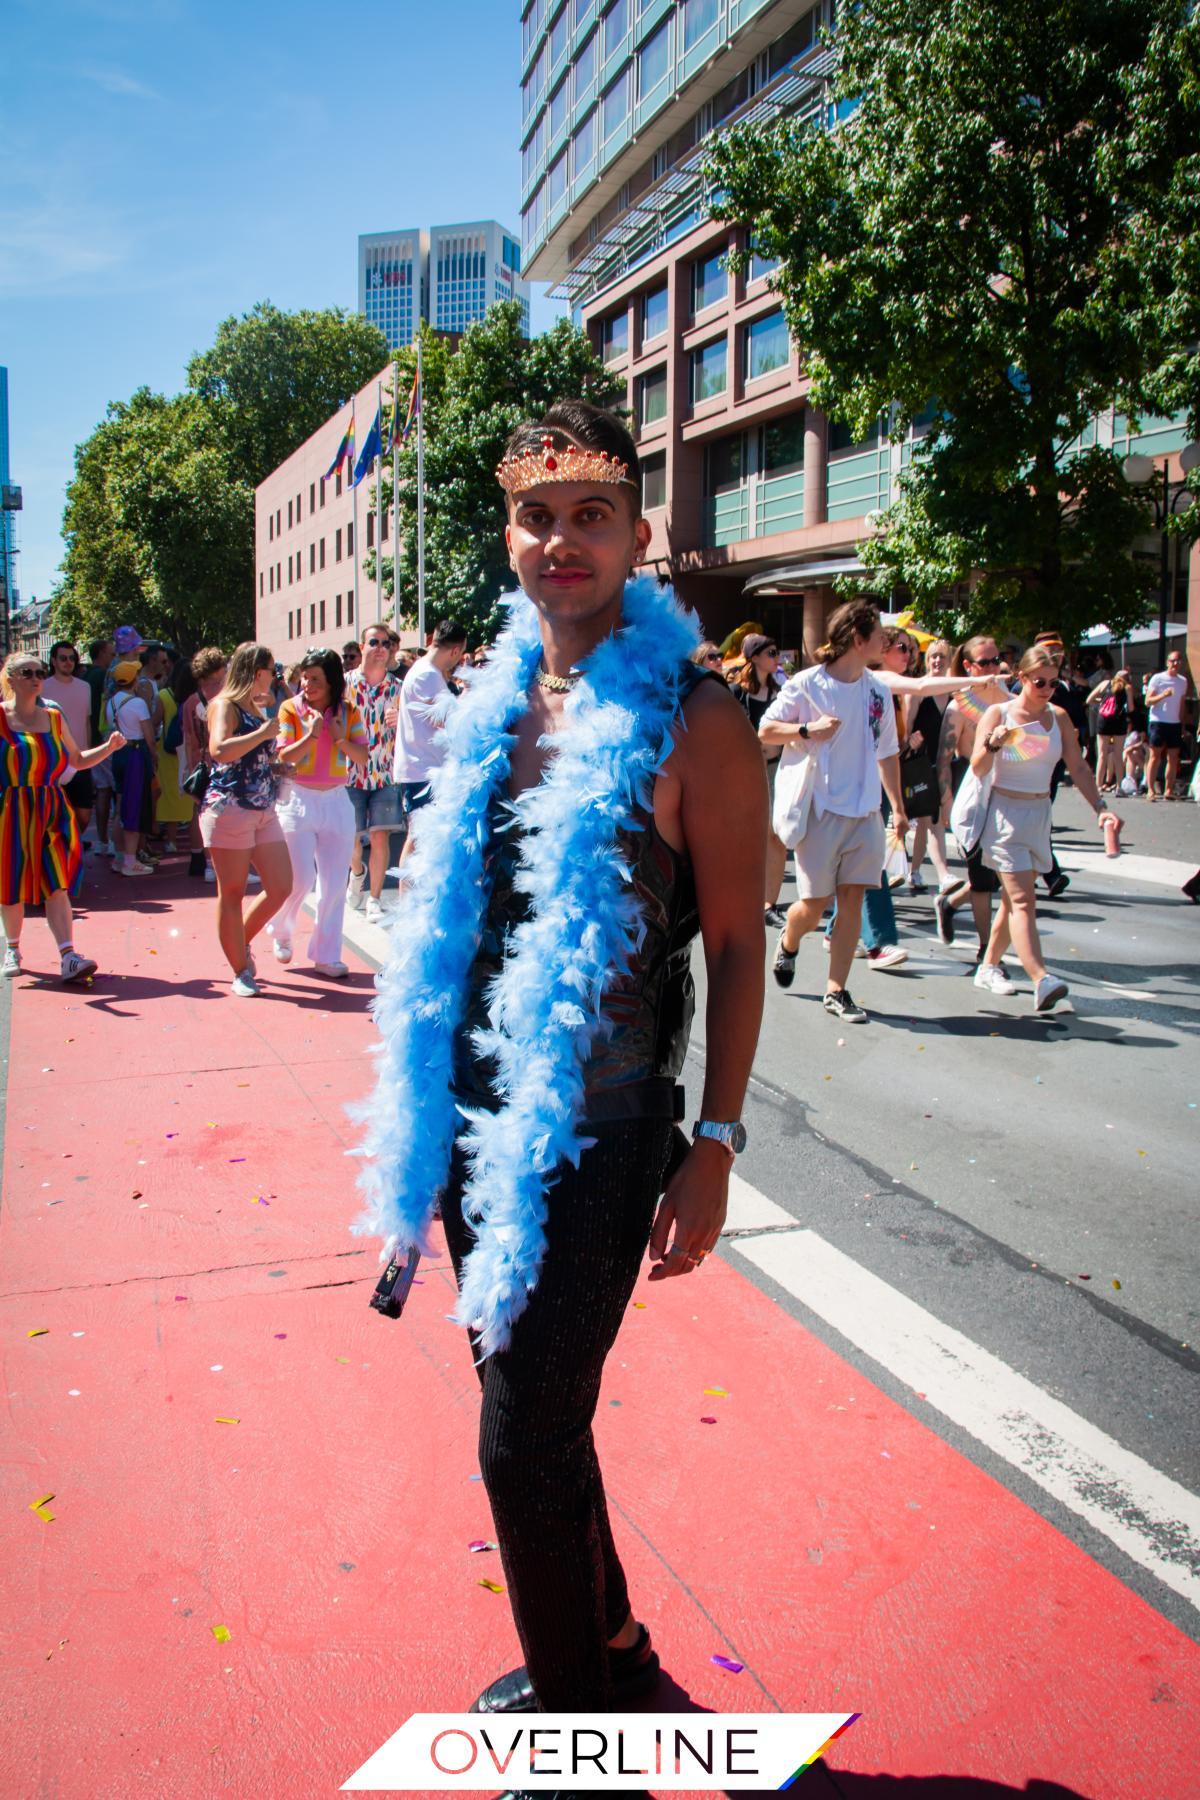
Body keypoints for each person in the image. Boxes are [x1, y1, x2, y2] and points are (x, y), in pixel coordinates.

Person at [357, 399, 765, 1722]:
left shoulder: (695, 719)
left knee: (519, 1436)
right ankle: (624, 1661)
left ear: (640, 533)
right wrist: (419, 1132)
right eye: (537, 515)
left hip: (605, 1127)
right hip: (479, 1125)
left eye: (592, 513)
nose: (562, 540)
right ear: (510, 536)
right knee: (538, 1414)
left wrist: (714, 1147)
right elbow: (447, 936)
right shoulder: (486, 705)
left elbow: (739, 948)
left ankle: (579, 1738)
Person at [762, 598, 909, 1023]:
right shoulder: (807, 685)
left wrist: (896, 807)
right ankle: (790, 939)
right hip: (820, 810)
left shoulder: (878, 691)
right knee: (814, 904)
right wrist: (808, 729)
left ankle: (837, 990)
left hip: (865, 812)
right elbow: (765, 729)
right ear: (858, 639)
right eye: (880, 633)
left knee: (852, 901)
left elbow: (888, 753)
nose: (887, 640)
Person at [971, 646, 1120, 1011]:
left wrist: (1100, 808)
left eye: (1053, 683)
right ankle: (1041, 978)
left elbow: (1079, 768)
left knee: (1010, 901)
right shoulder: (998, 713)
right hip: (1005, 814)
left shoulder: (1060, 717)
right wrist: (992, 744)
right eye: (1039, 681)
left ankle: (988, 966)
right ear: (1021, 678)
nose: (1047, 688)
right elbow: (976, 767)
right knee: (1023, 900)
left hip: (1040, 813)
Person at [0, 652, 123, 981]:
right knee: (11, 883)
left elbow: (77, 760)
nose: (36, 677)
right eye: (27, 672)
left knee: (57, 882)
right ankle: (12, 947)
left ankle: (68, 955)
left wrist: (108, 748)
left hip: (52, 806)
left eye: (39, 671)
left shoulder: (53, 716)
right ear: (10, 678)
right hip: (10, 809)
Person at [200, 643, 293, 999]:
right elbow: (219, 750)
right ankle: (240, 969)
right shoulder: (224, 705)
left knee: (282, 885)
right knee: (233, 892)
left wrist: (278, 767)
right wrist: (263, 734)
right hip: (230, 810)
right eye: (274, 669)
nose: (276, 676)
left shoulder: (258, 705)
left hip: (262, 809)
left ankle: (237, 942)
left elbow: (252, 758)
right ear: (258, 672)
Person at [270, 647, 368, 978]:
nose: (307, 684)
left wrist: (339, 739)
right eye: (305, 677)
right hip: (297, 799)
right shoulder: (289, 709)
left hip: (337, 801)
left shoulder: (349, 711)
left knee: (334, 883)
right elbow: (284, 757)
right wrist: (312, 735)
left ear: (332, 682)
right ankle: (282, 929)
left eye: (315, 679)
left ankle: (326, 954)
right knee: (299, 879)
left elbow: (363, 757)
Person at [934, 636, 1017, 960]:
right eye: (985, 663)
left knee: (1001, 874)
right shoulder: (959, 707)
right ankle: (986, 949)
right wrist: (946, 802)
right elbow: (943, 758)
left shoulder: (1011, 701)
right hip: (973, 788)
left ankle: (950, 903)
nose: (993, 668)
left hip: (1008, 792)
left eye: (996, 660)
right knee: (982, 877)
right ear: (968, 667)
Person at [393, 617, 467, 871]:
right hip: (422, 770)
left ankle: (412, 902)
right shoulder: (427, 675)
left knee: (422, 837)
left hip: (424, 768)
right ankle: (408, 903)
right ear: (456, 651)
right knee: (418, 838)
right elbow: (445, 719)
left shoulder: (426, 672)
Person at [345, 624, 406, 925]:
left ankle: (374, 898)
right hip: (350, 774)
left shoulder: (398, 688)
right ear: (362, 646)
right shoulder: (344, 684)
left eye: (386, 643)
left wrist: (402, 721)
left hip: (384, 775)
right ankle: (357, 872)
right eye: (374, 642)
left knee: (380, 838)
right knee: (351, 840)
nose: (381, 647)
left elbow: (414, 731)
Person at [730, 634, 788, 926]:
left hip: (776, 769)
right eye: (770, 652)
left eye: (777, 652)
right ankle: (741, 895)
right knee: (745, 835)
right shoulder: (735, 692)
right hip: (744, 771)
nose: (776, 657)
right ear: (754, 657)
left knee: (776, 835)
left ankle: (769, 903)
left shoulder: (782, 692)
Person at [905, 637, 956, 893]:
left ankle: (915, 872)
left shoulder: (955, 693)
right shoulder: (919, 690)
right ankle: (942, 873)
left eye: (942, 657)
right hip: (921, 764)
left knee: (932, 820)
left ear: (949, 661)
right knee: (930, 819)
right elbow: (906, 728)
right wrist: (910, 742)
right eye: (933, 656)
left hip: (945, 763)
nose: (937, 661)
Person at [106, 660, 159, 878]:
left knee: (120, 804)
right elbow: (149, 735)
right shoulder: (138, 703)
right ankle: (130, 859)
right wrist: (154, 757)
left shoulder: (111, 703)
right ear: (134, 679)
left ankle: (120, 856)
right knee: (134, 805)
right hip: (136, 755)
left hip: (119, 753)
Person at [43, 642, 95, 843]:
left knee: (84, 814)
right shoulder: (43, 687)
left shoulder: (85, 687)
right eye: (63, 658)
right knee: (55, 813)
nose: (68, 662)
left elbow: (87, 720)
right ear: (54, 661)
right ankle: (61, 850)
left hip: (80, 758)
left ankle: (71, 842)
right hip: (54, 760)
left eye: (72, 658)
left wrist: (89, 750)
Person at [181, 647, 227, 879]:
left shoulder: (191, 702)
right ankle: (214, 864)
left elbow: (189, 740)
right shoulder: (224, 699)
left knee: (200, 812)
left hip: (200, 763)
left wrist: (191, 769)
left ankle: (202, 859)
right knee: (220, 815)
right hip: (221, 763)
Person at [155, 657, 196, 853]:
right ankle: (195, 843)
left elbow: (154, 722)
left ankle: (171, 840)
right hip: (191, 751)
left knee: (171, 794)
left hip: (168, 752)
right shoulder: (196, 699)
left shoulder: (164, 695)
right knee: (192, 796)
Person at [82, 637, 115, 850]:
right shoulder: (103, 676)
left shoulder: (86, 678)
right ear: (102, 653)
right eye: (110, 653)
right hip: (104, 739)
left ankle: (103, 840)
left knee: (103, 790)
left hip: (92, 740)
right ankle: (113, 843)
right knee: (114, 791)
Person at [1144, 648, 1188, 800]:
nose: (1175, 663)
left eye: (1178, 660)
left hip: (1174, 722)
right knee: (1155, 756)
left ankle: (1168, 790)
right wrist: (1163, 695)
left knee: (1173, 757)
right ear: (1167, 662)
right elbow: (1147, 701)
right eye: (1172, 661)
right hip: (1158, 721)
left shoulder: (1182, 681)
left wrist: (1182, 724)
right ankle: (1150, 790)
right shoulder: (1157, 678)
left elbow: (1182, 704)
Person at [1087, 668, 1132, 791]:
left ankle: (1098, 786)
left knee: (1102, 755)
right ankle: (1119, 787)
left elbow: (1089, 700)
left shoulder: (1105, 683)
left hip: (1104, 720)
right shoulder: (1127, 688)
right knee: (1118, 755)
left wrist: (1102, 701)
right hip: (1119, 721)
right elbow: (1131, 708)